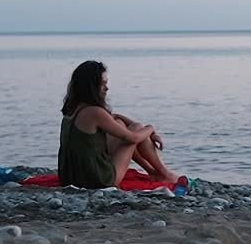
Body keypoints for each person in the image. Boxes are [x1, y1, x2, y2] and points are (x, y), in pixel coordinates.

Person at [58, 60, 177, 188]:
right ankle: (164, 173)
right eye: (103, 84)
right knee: (135, 130)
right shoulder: (95, 112)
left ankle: (154, 172)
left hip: (71, 178)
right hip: (99, 180)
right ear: (91, 86)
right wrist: (151, 128)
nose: (106, 88)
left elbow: (114, 118)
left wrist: (143, 129)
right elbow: (133, 138)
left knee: (120, 124)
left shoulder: (73, 110)